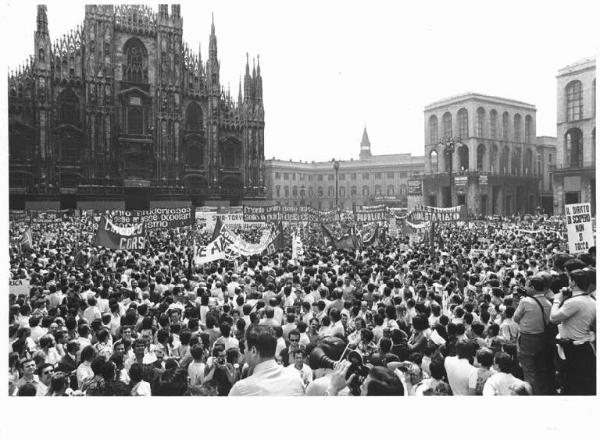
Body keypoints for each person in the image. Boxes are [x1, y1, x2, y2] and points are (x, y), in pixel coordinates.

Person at [549, 269, 596, 395]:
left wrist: (557, 300)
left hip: (572, 349)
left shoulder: (574, 302)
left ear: (573, 282)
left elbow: (553, 318)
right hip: (583, 348)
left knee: (571, 385)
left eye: (570, 279)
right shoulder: (592, 300)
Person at [229, 325, 305, 396]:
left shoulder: (240, 390)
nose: (244, 351)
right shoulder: (296, 379)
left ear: (253, 351)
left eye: (245, 347)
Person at [513, 274, 553, 395]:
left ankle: (534, 394)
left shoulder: (525, 301)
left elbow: (515, 318)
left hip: (527, 339)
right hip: (542, 338)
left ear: (533, 287)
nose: (526, 288)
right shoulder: (549, 303)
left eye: (527, 286)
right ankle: (544, 391)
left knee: (530, 370)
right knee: (542, 368)